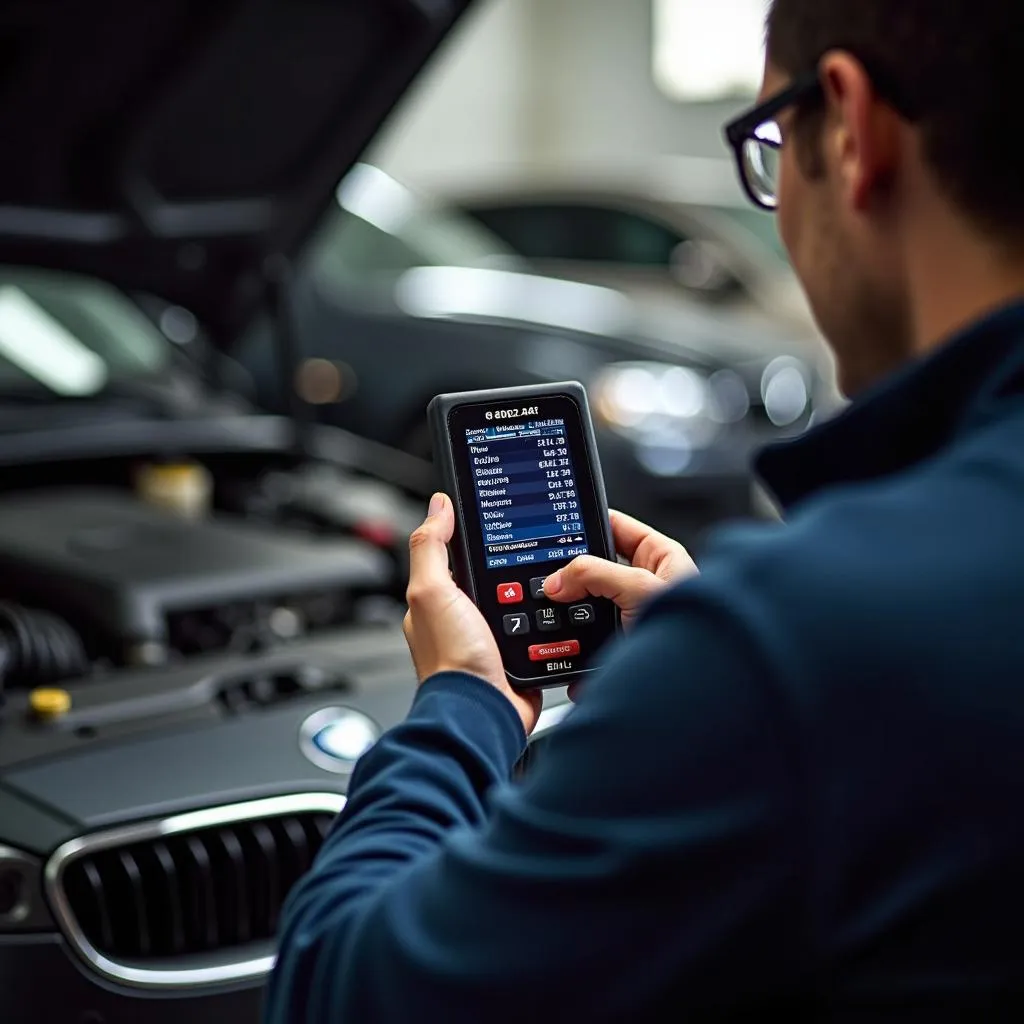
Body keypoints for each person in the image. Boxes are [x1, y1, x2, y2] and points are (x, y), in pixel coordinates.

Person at [266, 0, 1024, 1019]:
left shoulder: (799, 646)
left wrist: (463, 707)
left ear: (849, 131)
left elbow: (341, 993)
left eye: (769, 149)